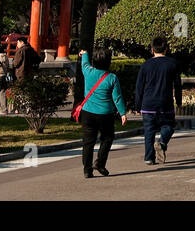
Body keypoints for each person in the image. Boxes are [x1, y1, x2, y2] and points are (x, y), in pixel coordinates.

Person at [78, 47, 127, 179]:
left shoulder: (88, 72)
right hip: (106, 114)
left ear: (94, 60)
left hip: (87, 113)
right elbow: (117, 97)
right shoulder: (112, 78)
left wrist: (84, 54)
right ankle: (100, 163)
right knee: (107, 138)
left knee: (88, 142)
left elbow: (85, 63)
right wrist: (122, 113)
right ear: (109, 61)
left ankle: (87, 170)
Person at [133, 35, 182, 166]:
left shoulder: (145, 65)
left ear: (152, 49)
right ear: (166, 49)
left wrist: (137, 106)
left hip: (148, 103)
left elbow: (139, 87)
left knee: (149, 131)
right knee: (169, 126)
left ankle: (149, 157)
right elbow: (177, 85)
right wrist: (179, 101)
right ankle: (162, 141)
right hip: (165, 103)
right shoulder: (172, 64)